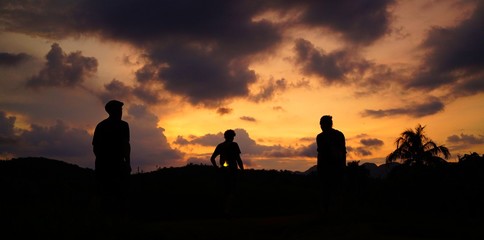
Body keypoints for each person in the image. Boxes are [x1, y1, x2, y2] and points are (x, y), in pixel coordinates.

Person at [92, 99, 131, 216]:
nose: (121, 112)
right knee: (106, 195)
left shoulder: (124, 125)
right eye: (118, 109)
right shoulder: (102, 126)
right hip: (106, 166)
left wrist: (127, 163)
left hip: (117, 165)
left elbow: (126, 145)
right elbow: (96, 147)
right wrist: (103, 162)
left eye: (121, 109)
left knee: (119, 195)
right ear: (111, 111)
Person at [316, 115, 346, 213]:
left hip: (333, 168)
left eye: (322, 124)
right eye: (321, 124)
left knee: (332, 193)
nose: (321, 126)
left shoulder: (323, 137)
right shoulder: (321, 137)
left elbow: (341, 152)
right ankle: (330, 212)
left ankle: (332, 213)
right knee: (329, 193)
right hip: (329, 168)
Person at [210, 129, 244, 215]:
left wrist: (217, 168)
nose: (233, 138)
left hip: (223, 171)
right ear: (231, 137)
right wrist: (242, 170)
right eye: (233, 136)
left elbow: (212, 158)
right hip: (232, 170)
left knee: (225, 191)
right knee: (232, 191)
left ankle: (225, 210)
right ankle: (228, 211)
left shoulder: (220, 145)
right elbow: (238, 159)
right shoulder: (234, 145)